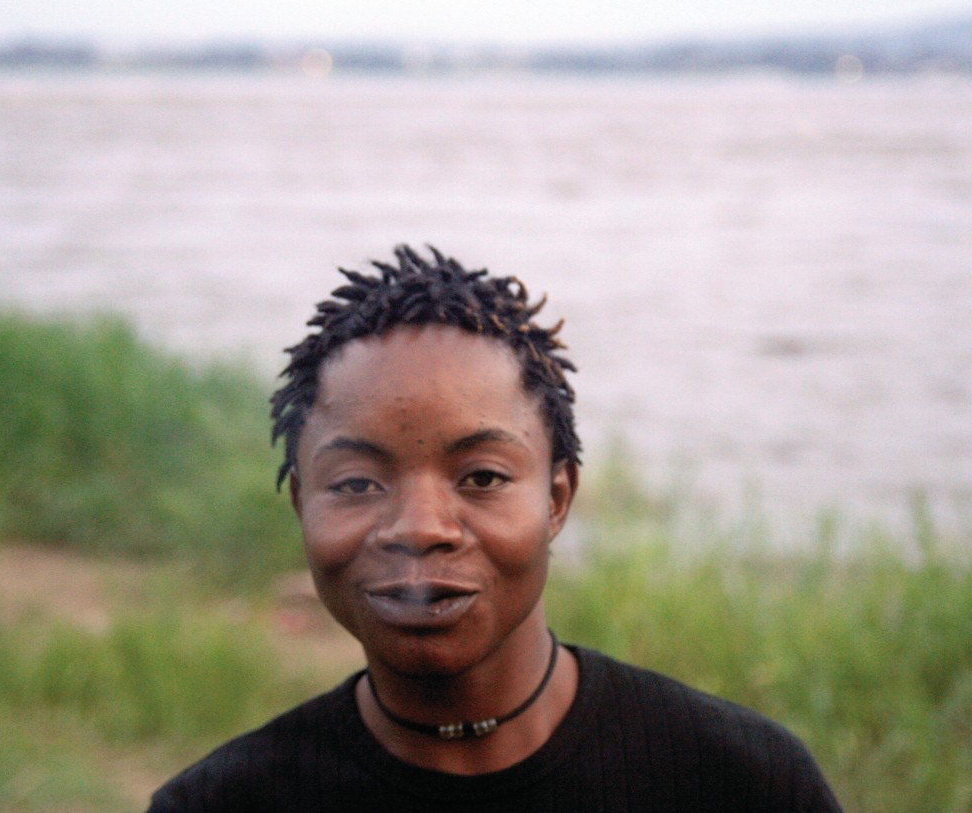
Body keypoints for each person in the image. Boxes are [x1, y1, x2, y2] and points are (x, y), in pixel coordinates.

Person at [148, 246, 842, 812]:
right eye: (357, 483)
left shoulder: (740, 783)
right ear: (302, 504)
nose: (419, 528)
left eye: (480, 476)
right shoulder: (223, 802)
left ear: (557, 497)